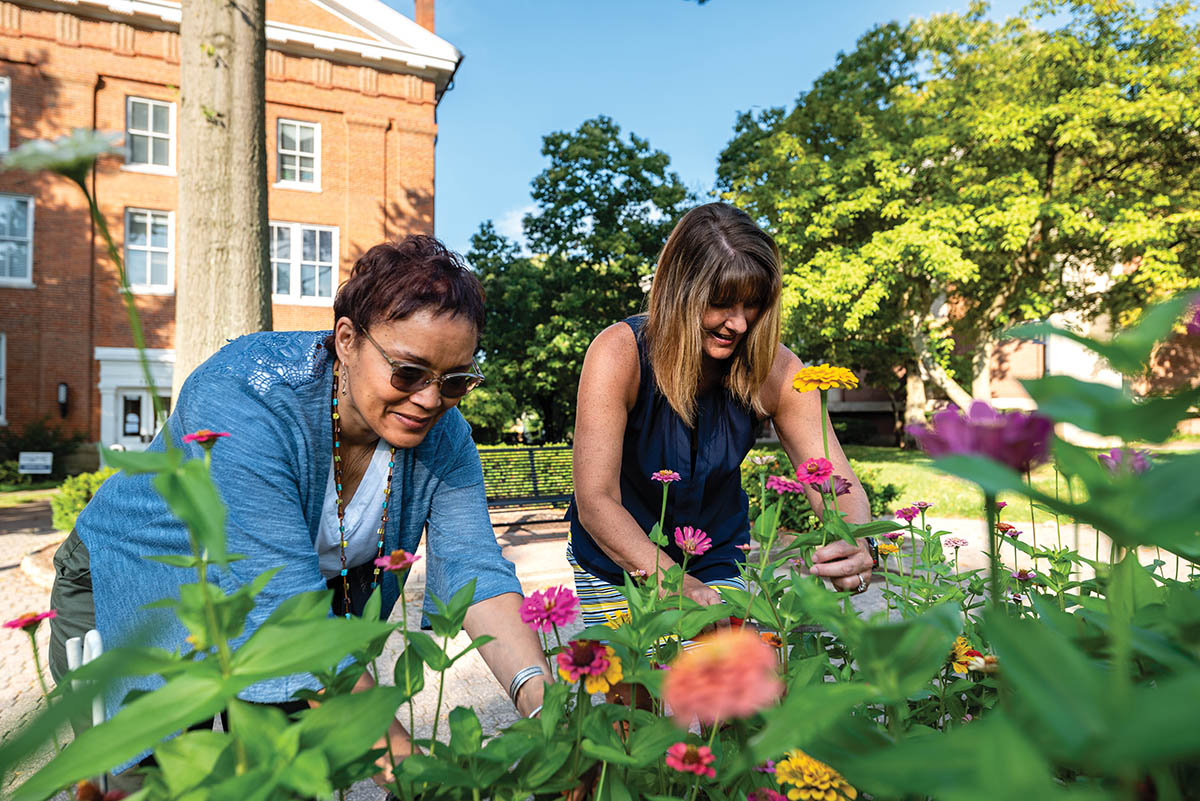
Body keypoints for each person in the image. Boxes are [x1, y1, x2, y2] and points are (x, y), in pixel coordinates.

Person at [49, 235, 551, 776]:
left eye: (454, 381)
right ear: (346, 340)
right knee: (163, 782)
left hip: (290, 613)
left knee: (286, 780)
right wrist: (408, 769)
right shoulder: (243, 399)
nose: (430, 400)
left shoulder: (444, 435)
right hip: (141, 591)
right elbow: (284, 610)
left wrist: (550, 714)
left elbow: (477, 574)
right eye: (407, 372)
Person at [568, 202, 875, 632]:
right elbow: (596, 502)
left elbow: (837, 484)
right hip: (618, 557)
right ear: (679, 291)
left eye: (753, 305)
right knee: (638, 692)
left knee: (737, 683)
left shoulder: (780, 372)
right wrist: (675, 582)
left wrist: (856, 538)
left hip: (716, 555)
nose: (739, 324)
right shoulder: (618, 354)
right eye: (721, 303)